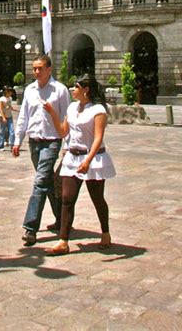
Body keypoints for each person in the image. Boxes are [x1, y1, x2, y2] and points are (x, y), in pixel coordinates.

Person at [43, 73, 116, 256]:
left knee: (97, 198)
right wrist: (52, 112)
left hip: (93, 159)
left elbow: (98, 138)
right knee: (67, 198)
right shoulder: (72, 107)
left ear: (86, 89)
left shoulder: (98, 110)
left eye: (75, 87)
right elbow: (62, 132)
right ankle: (63, 241)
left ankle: (105, 233)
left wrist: (88, 161)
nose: (72, 90)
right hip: (72, 157)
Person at [12, 55, 70, 246]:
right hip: (34, 142)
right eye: (34, 68)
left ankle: (30, 228)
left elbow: (68, 119)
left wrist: (68, 145)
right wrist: (17, 140)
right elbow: (23, 117)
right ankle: (62, 218)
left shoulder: (60, 90)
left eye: (40, 68)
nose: (36, 72)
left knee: (39, 181)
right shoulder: (29, 90)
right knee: (48, 182)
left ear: (49, 69)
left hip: (52, 141)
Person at [0, 86, 15, 151]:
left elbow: (10, 106)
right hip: (4, 117)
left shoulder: (10, 98)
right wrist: (3, 117)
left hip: (9, 116)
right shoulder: (2, 99)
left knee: (12, 131)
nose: (10, 93)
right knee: (2, 131)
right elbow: (1, 109)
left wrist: (11, 108)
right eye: (9, 91)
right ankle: (0, 146)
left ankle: (12, 145)